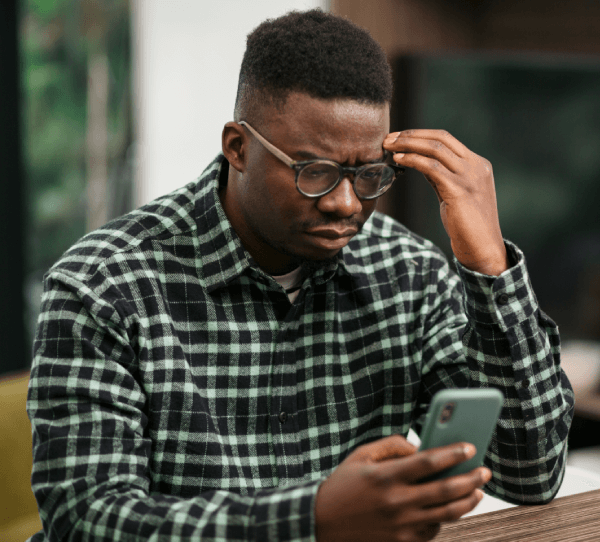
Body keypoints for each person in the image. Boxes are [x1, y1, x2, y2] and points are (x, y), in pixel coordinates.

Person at [27, 9, 574, 542]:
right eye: (314, 171)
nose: (344, 204)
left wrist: (490, 269)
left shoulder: (408, 272)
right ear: (238, 147)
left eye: (367, 174)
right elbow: (86, 521)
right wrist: (312, 520)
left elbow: (532, 474)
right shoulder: (103, 285)